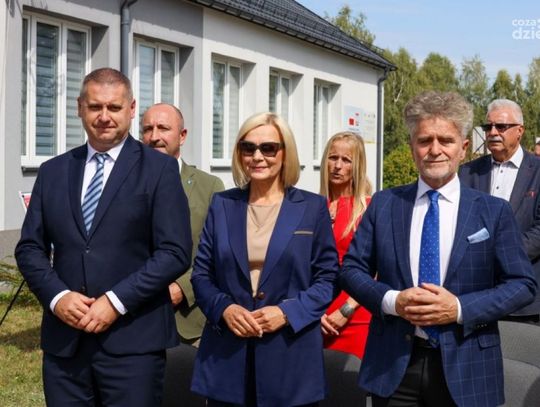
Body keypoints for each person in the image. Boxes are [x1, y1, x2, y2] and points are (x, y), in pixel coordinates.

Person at [340, 91, 536, 407]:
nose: (435, 150)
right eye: (424, 140)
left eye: (445, 140)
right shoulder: (385, 204)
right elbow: (351, 270)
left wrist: (458, 308)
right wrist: (392, 301)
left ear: (463, 148)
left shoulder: (492, 211)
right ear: (412, 147)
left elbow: (522, 284)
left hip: (468, 367)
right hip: (393, 367)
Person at [15, 68, 192, 406]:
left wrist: (115, 301)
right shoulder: (53, 171)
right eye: (95, 107)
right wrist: (57, 297)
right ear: (80, 108)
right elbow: (29, 248)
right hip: (66, 346)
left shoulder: (159, 170)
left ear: (131, 109)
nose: (104, 116)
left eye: (114, 107)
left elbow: (174, 251)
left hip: (133, 344)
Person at [190, 112, 339, 406]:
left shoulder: (312, 207)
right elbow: (202, 274)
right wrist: (224, 308)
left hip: (290, 359)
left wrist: (286, 313)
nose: (257, 156)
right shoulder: (222, 204)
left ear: (285, 153)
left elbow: (329, 278)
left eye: (268, 148)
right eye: (248, 148)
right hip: (228, 359)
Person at [142, 103, 225, 345]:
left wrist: (181, 289)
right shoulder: (124, 184)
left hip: (189, 325)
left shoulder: (209, 187)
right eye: (147, 129)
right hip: (134, 320)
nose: (154, 136)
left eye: (163, 128)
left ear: (182, 135)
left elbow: (218, 252)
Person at [459, 99, 540, 324]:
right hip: (476, 297)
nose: (493, 132)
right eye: (488, 127)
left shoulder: (537, 171)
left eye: (501, 127)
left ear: (520, 131)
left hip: (526, 302)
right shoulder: (467, 173)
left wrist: (501, 255)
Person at [319, 131, 372, 359]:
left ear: (357, 166)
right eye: (333, 158)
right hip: (315, 316)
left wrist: (346, 309)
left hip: (356, 317)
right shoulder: (313, 206)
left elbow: (378, 270)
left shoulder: (369, 209)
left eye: (346, 160)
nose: (338, 166)